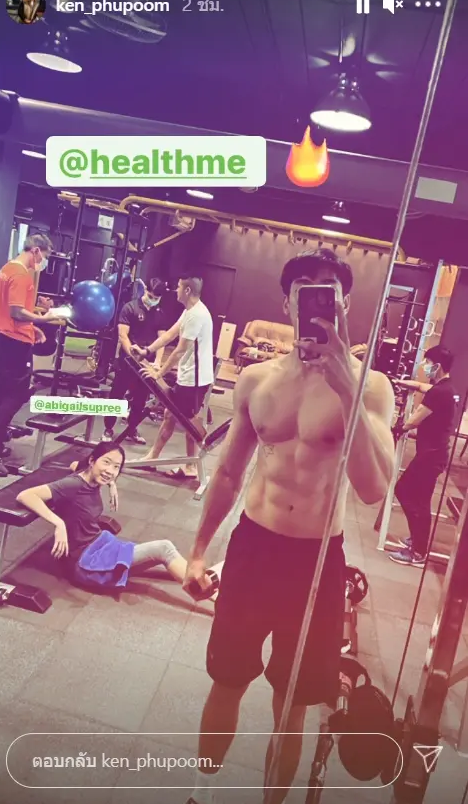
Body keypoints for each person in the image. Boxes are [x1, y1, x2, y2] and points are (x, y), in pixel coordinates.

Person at [181, 248, 396, 804]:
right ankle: (201, 793)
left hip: (317, 561)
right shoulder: (257, 381)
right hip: (254, 549)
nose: (316, 297)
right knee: (227, 680)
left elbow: (374, 488)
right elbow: (229, 473)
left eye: (328, 288)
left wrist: (345, 386)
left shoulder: (371, 387)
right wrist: (199, 552)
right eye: (304, 287)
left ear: (344, 303)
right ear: (287, 302)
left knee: (293, 703)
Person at [16, 441, 219, 597]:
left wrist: (111, 483)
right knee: (163, 548)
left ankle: (201, 581)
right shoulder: (73, 485)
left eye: (116, 467)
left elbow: (73, 464)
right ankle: (211, 596)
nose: (110, 471)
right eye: (106, 462)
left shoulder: (89, 474)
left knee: (160, 557)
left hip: (98, 545)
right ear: (92, 460)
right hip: (85, 563)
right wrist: (58, 523)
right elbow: (25, 495)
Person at [135, 274, 214, 480]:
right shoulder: (189, 311)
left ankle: (191, 465)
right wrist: (147, 351)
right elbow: (169, 334)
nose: (175, 290)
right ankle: (156, 458)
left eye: (178, 287)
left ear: (187, 290)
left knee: (188, 423)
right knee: (171, 416)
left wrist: (158, 372)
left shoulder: (197, 315)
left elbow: (179, 350)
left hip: (194, 380)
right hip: (188, 376)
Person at [0, 233, 56, 477]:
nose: (43, 262)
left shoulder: (6, 270)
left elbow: (12, 312)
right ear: (36, 250)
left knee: (3, 391)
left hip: (5, 337)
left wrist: (32, 326)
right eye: (44, 256)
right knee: (16, 394)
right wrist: (43, 318)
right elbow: (17, 312)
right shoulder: (20, 275)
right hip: (14, 342)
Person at [389, 345, 456, 567]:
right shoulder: (446, 388)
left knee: (406, 492)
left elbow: (413, 420)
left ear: (438, 366)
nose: (425, 367)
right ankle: (418, 540)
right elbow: (422, 386)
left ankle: (418, 550)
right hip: (433, 454)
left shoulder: (439, 392)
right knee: (419, 499)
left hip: (430, 456)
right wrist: (402, 383)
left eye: (428, 363)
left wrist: (397, 427)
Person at [102, 278, 166, 445]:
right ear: (146, 291)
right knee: (117, 395)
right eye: (150, 296)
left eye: (156, 298)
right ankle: (108, 428)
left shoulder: (159, 313)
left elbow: (162, 340)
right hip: (127, 361)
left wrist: (158, 362)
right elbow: (123, 335)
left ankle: (132, 429)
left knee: (140, 399)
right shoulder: (130, 308)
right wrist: (132, 354)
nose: (152, 299)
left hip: (146, 364)